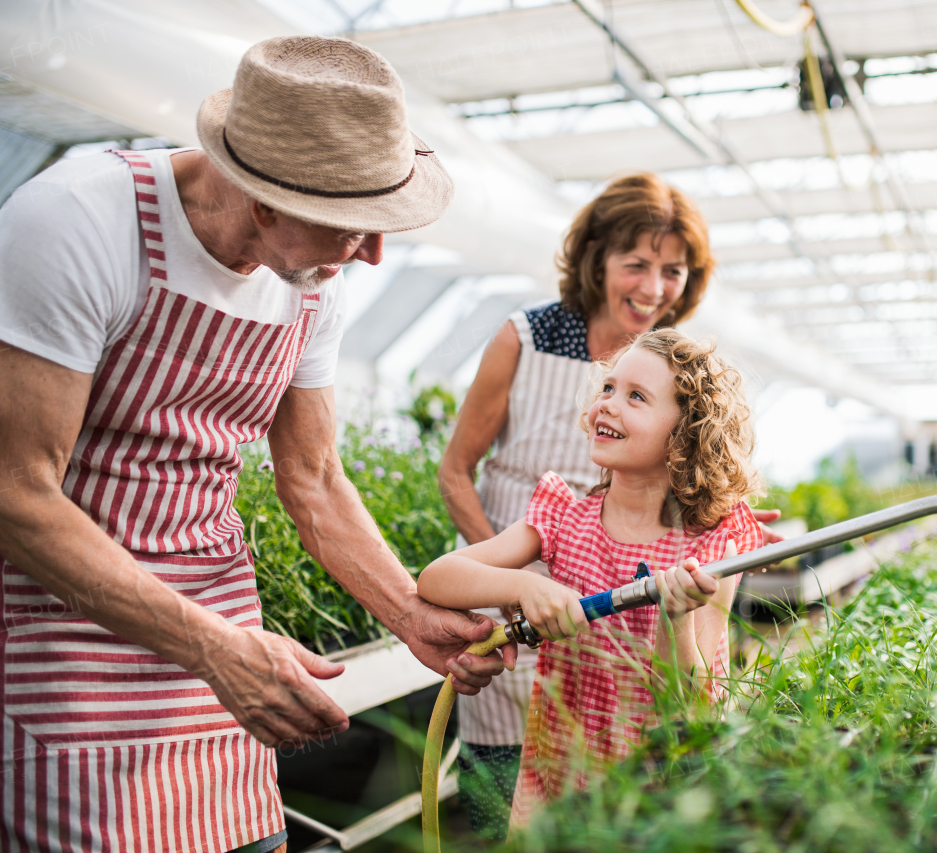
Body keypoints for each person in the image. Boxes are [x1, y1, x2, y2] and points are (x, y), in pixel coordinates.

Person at [0, 36, 512, 852]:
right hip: (67, 633)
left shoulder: (310, 281)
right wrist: (211, 647)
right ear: (264, 199)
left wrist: (410, 611)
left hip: (229, 632)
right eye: (354, 226)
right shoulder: (80, 221)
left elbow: (312, 479)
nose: (374, 254)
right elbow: (17, 493)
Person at [436, 172, 717, 835]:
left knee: (599, 794)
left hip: (612, 611)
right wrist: (514, 585)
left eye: (672, 270)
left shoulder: (670, 361)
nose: (653, 288)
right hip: (512, 575)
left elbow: (692, 471)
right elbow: (455, 470)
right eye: (637, 264)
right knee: (505, 789)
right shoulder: (527, 338)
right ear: (598, 259)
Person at [419, 328, 766, 825]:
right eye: (608, 388)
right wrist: (524, 584)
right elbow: (437, 579)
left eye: (637, 397)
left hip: (662, 789)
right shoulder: (565, 518)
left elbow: (687, 704)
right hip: (561, 778)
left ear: (686, 433)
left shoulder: (708, 547)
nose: (608, 404)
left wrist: (676, 618)